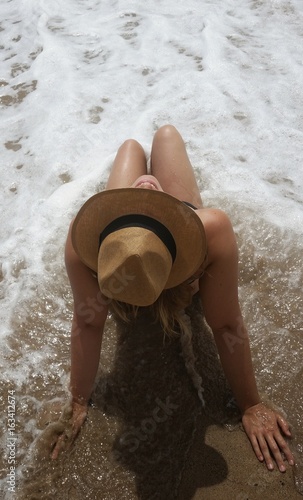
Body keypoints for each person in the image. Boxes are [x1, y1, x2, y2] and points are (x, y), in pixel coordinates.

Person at [51, 125, 295, 473]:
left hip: (132, 278)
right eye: (148, 204)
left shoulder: (82, 239)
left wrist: (78, 400)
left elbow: (88, 322)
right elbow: (226, 324)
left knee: (130, 145)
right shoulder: (209, 230)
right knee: (166, 135)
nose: (147, 185)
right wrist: (250, 405)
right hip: (173, 275)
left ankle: (133, 161)